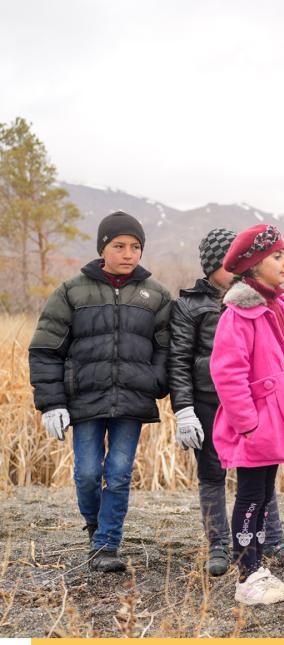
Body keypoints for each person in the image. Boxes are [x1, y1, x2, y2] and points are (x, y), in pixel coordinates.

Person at [29, 211, 173, 572]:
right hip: (85, 399)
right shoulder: (71, 291)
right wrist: (51, 403)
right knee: (88, 473)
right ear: (102, 248)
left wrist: (155, 381)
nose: (129, 253)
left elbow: (168, 348)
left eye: (136, 247)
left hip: (131, 401)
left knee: (120, 471)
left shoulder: (154, 294)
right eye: (119, 245)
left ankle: (107, 545)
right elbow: (46, 349)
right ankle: (95, 527)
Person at [168, 228, 284, 577]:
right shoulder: (203, 307)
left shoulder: (273, 305)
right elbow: (186, 362)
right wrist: (185, 410)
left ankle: (269, 544)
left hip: (256, 408)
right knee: (217, 476)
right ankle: (224, 549)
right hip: (214, 404)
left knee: (260, 482)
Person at [210, 224, 284, 605]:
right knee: (249, 495)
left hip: (276, 422)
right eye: (277, 256)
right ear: (255, 264)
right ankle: (246, 576)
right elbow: (227, 372)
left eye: (283, 255)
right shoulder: (239, 314)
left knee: (263, 494)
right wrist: (248, 423)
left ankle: (258, 567)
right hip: (256, 425)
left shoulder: (280, 306)